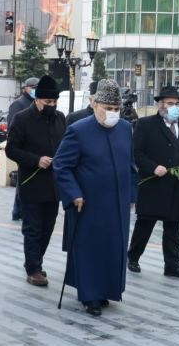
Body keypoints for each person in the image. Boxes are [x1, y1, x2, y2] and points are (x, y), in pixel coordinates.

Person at [53, 79, 137, 317]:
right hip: (88, 203)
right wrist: (74, 193)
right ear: (95, 104)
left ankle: (108, 290)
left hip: (118, 203)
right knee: (90, 249)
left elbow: (131, 165)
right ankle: (90, 296)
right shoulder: (79, 130)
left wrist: (132, 194)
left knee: (114, 247)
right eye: (107, 108)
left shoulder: (125, 129)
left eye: (116, 109)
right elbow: (62, 166)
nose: (112, 113)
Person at [127, 86, 179, 279]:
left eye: (177, 104)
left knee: (173, 227)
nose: (174, 107)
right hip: (154, 184)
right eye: (170, 103)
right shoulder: (146, 124)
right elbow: (136, 153)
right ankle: (133, 257)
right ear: (161, 105)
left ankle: (172, 265)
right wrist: (152, 167)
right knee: (145, 224)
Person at [6, 76, 66, 287]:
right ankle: (33, 268)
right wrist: (35, 160)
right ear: (38, 100)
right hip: (32, 182)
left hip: (54, 184)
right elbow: (11, 149)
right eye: (47, 102)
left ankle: (35, 261)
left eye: (54, 102)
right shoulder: (22, 118)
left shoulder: (59, 117)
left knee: (48, 227)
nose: (52, 106)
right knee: (32, 228)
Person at [8, 77, 38, 221]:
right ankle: (18, 210)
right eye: (32, 86)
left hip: (36, 150)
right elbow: (12, 128)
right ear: (26, 88)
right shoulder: (18, 104)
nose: (35, 89)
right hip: (23, 149)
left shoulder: (36, 102)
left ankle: (20, 210)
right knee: (24, 179)